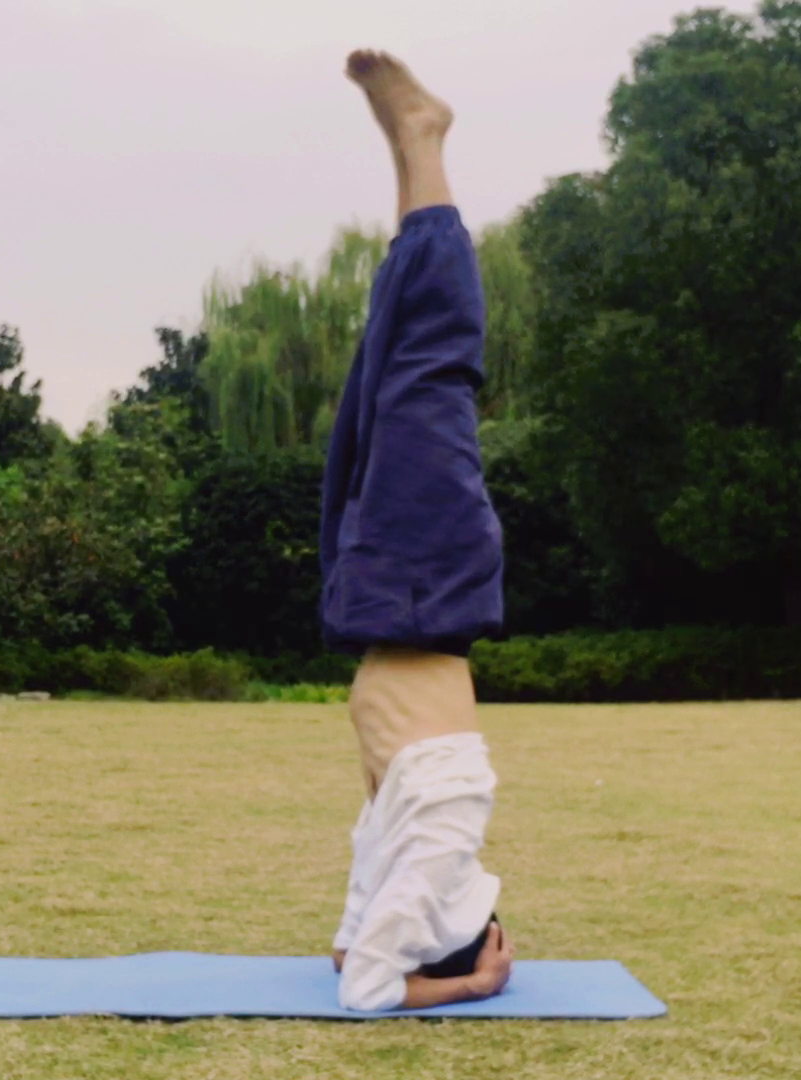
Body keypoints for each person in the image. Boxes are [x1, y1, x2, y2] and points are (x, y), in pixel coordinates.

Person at [321, 49, 512, 1013]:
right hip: (421, 590)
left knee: (390, 375)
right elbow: (367, 964)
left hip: (397, 593)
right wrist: (459, 976)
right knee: (430, 370)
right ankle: (423, 141)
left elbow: (358, 971)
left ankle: (411, 154)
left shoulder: (420, 860)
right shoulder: (439, 851)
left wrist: (472, 981)